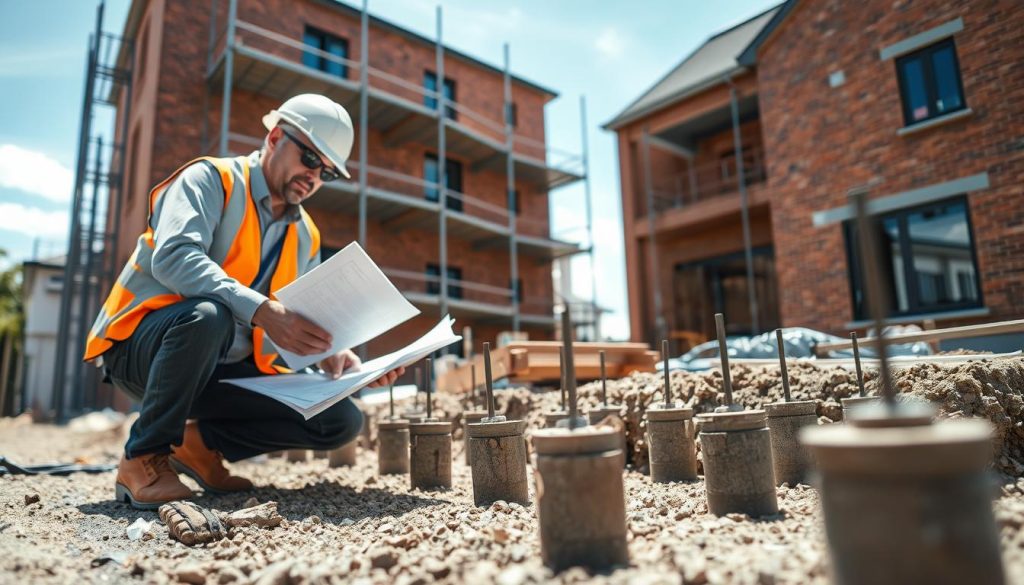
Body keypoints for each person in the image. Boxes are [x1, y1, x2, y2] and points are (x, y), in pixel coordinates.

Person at [83, 94, 404, 509]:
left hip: (219, 373)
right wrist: (261, 310)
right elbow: (174, 257)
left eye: (327, 172)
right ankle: (143, 456)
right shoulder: (209, 180)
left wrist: (334, 356)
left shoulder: (305, 234)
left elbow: (295, 323)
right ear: (274, 137)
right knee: (208, 315)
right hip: (141, 350)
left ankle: (197, 446)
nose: (314, 176)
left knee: (340, 420)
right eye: (310, 158)